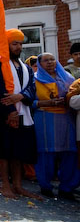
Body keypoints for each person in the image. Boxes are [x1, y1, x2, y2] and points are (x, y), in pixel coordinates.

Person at [0, 29, 40, 199]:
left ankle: (18, 185)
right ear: (6, 45)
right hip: (3, 116)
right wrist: (10, 112)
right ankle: (5, 185)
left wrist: (21, 96)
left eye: (20, 44)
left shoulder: (26, 67)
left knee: (18, 152)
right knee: (4, 151)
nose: (18, 47)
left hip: (23, 113)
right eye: (14, 44)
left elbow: (32, 88)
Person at [22, 53, 80, 199]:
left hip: (67, 118)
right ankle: (45, 185)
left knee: (70, 153)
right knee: (45, 153)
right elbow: (28, 102)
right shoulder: (33, 80)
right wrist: (46, 103)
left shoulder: (68, 78)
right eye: (45, 60)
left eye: (52, 60)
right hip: (45, 118)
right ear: (40, 64)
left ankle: (66, 187)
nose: (50, 63)